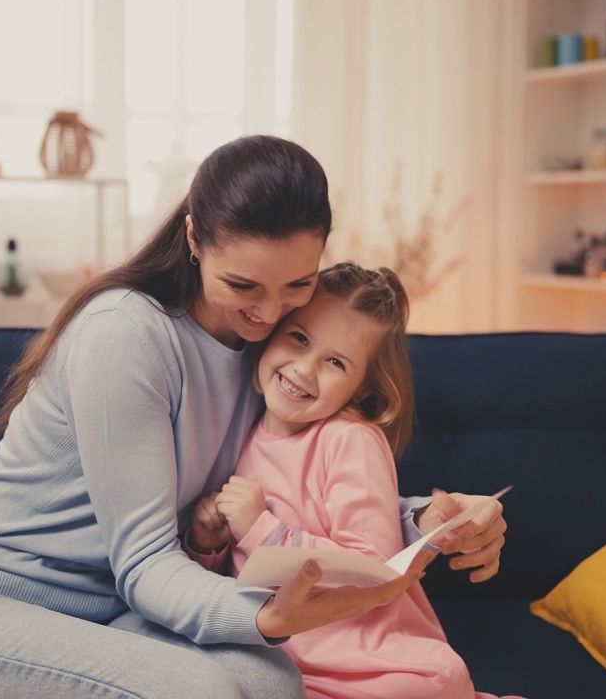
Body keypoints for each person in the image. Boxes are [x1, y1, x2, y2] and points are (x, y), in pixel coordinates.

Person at [0, 135, 508, 699]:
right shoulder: (127, 335)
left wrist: (429, 520)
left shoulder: (272, 348)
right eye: (245, 286)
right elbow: (145, 562)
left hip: (114, 617)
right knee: (207, 690)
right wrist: (265, 619)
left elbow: (293, 478)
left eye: (296, 285)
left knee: (274, 683)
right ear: (195, 239)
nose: (268, 312)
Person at [184, 262, 517, 699]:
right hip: (283, 658)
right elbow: (241, 581)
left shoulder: (350, 440)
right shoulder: (243, 430)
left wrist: (262, 530)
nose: (303, 369)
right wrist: (209, 544)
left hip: (369, 666)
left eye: (335, 362)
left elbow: (374, 566)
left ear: (361, 389)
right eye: (299, 338)